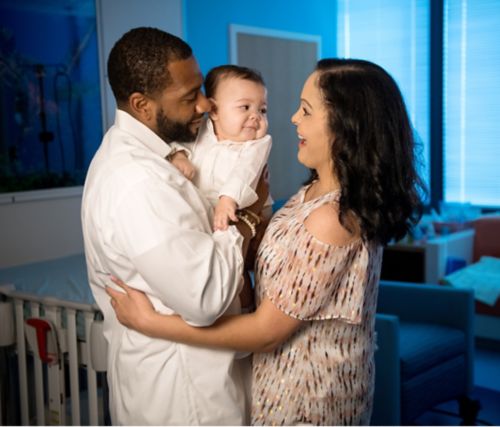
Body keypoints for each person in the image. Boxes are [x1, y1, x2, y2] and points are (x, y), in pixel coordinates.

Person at [107, 58, 425, 425]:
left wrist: (150, 323)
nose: (292, 119)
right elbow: (271, 261)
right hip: (276, 384)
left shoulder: (334, 217)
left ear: (345, 125)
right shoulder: (309, 194)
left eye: (305, 110)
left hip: (310, 399)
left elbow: (266, 332)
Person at [81, 27, 267, 425]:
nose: (204, 105)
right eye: (189, 97)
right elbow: (206, 297)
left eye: (200, 89)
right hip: (181, 401)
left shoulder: (160, 158)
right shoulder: (137, 181)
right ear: (141, 105)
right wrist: (245, 214)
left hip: (195, 383)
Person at [168, 64, 272, 231]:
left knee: (253, 246)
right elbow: (177, 143)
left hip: (241, 209)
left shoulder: (258, 144)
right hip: (205, 210)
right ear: (214, 110)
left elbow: (246, 171)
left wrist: (228, 198)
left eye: (263, 110)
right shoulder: (201, 130)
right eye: (245, 107)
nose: (256, 116)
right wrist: (179, 155)